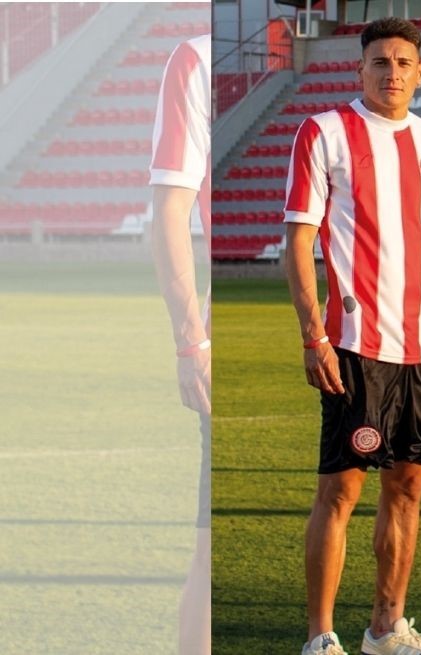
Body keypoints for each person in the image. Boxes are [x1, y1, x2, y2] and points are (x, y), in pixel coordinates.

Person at [283, 17, 421, 655]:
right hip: (354, 345)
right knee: (341, 490)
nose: (392, 72)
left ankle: (386, 630)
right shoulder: (324, 132)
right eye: (380, 62)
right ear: (359, 68)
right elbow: (299, 241)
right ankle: (320, 637)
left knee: (408, 487)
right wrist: (313, 334)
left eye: (403, 62)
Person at [148, 31, 212, 655]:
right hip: (219, 350)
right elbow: (169, 210)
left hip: (329, 338)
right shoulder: (196, 59)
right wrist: (190, 342)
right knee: (210, 548)